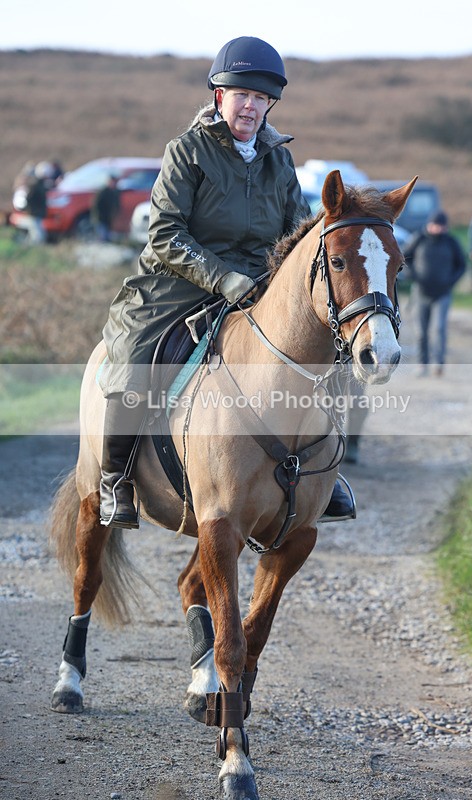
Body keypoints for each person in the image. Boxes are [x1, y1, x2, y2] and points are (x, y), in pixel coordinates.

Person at [97, 35, 353, 528]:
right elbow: (166, 233)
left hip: (258, 284)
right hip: (180, 280)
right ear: (219, 95)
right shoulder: (186, 151)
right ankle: (116, 478)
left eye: (261, 98)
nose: (251, 107)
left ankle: (325, 472)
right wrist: (225, 280)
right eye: (242, 95)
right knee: (134, 358)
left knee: (327, 353)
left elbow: (298, 234)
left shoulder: (278, 158)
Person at [404, 210, 466, 376]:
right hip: (420, 292)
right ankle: (422, 364)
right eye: (434, 226)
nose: (437, 229)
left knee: (439, 329)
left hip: (443, 293)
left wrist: (451, 282)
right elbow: (404, 258)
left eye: (440, 226)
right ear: (429, 225)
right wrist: (414, 276)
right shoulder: (419, 239)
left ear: (445, 227)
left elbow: (461, 265)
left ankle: (438, 364)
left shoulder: (451, 242)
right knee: (421, 331)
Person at [24, 163, 49, 244]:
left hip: (38, 213)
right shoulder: (35, 185)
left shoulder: (42, 185)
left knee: (38, 233)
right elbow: (28, 199)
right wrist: (31, 209)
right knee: (38, 235)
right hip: (35, 213)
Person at [92, 176, 121, 241]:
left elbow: (116, 205)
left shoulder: (115, 192)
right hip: (101, 218)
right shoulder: (102, 192)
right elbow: (96, 205)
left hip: (109, 219)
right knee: (103, 237)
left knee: (108, 237)